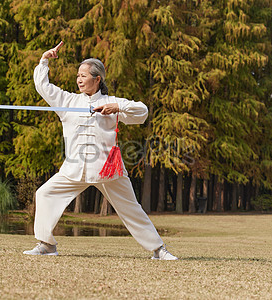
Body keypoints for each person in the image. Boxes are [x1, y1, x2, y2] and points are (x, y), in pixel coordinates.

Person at [23, 41, 178, 260]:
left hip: (108, 169)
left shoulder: (111, 102)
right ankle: (47, 244)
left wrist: (119, 107)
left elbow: (142, 112)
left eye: (84, 75)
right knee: (44, 194)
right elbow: (43, 86)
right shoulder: (68, 101)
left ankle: (158, 250)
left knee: (131, 208)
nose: (79, 79)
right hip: (73, 169)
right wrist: (44, 60)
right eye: (78, 75)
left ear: (97, 79)